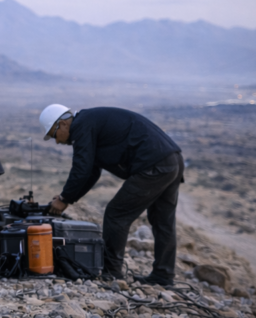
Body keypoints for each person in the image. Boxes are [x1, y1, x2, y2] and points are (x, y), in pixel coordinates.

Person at [40, 104, 184, 286]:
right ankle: (163, 276)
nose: (57, 142)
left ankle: (112, 273)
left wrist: (64, 199)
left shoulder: (81, 126)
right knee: (163, 221)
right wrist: (67, 198)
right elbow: (91, 171)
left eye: (54, 135)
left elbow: (81, 168)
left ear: (62, 124)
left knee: (116, 214)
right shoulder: (89, 123)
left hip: (154, 164)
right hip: (172, 160)